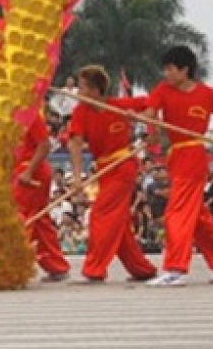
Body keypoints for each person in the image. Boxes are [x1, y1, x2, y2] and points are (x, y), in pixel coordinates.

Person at [143, 46, 213, 287]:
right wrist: (152, 131)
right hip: (176, 155)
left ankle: (176, 268)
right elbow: (150, 111)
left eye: (170, 68)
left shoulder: (207, 94)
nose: (165, 73)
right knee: (197, 217)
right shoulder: (163, 89)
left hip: (194, 155)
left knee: (176, 212)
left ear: (184, 70)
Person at [67, 65, 157, 283]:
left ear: (96, 89)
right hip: (104, 170)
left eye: (81, 87)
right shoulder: (81, 112)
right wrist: (78, 177)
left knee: (102, 214)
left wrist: (144, 121)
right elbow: (75, 143)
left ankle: (94, 268)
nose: (78, 93)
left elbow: (152, 105)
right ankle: (141, 269)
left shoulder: (118, 106)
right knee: (119, 224)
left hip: (123, 166)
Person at [13, 113, 71, 281]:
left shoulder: (31, 114)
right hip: (20, 172)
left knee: (23, 219)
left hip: (31, 173)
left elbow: (44, 145)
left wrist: (29, 171)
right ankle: (56, 265)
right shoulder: (3, 112)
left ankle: (14, 265)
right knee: (39, 221)